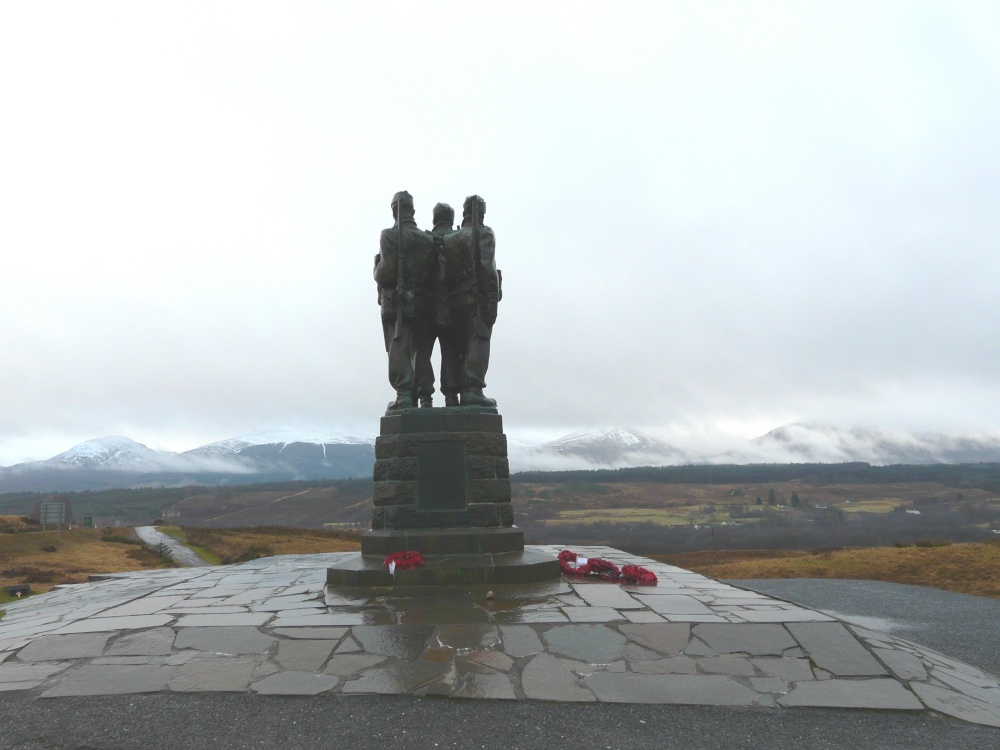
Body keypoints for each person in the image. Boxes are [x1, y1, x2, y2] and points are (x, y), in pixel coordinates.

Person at [374, 191, 437, 412]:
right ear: (412, 211)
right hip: (425, 305)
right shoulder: (427, 239)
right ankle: (426, 398)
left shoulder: (388, 236)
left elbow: (386, 274)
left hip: (397, 304)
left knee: (399, 349)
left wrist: (376, 268)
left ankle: (404, 396)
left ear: (394, 210)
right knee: (421, 351)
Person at [441, 194, 500, 407]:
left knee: (452, 349)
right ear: (482, 213)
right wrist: (492, 299)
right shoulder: (484, 233)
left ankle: (451, 394)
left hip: (452, 303)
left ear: (464, 213)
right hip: (476, 301)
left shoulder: (449, 239)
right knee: (478, 342)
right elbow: (487, 268)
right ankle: (472, 391)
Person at [427, 202, 463, 407]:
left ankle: (424, 398)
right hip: (453, 304)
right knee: (451, 351)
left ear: (434, 219)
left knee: (421, 352)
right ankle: (451, 396)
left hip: (425, 306)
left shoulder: (424, 239)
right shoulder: (458, 240)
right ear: (452, 220)